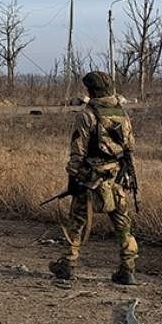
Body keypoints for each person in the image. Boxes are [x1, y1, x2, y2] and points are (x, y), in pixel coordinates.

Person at [49, 71, 140, 285]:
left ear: (91, 90)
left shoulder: (87, 115)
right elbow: (130, 147)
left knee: (77, 222)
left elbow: (77, 151)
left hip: (90, 179)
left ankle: (68, 264)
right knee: (123, 225)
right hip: (117, 178)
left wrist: (73, 177)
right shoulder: (122, 114)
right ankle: (128, 269)